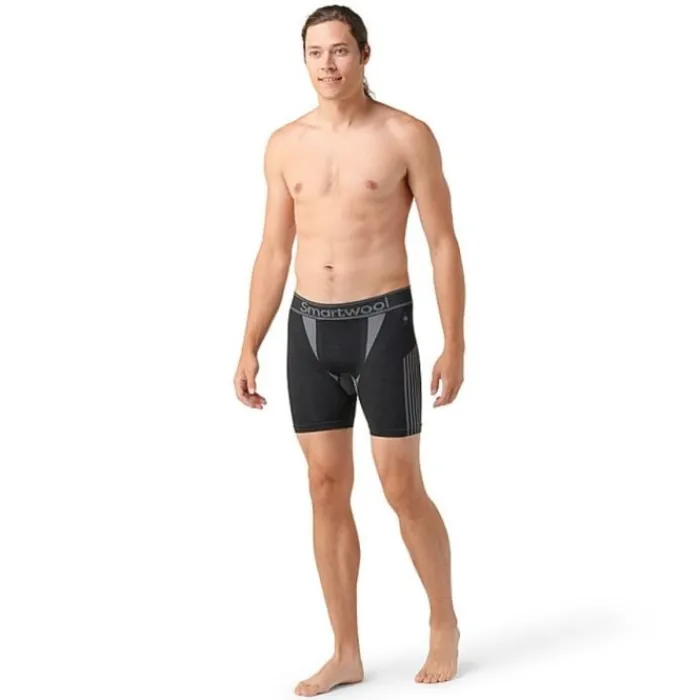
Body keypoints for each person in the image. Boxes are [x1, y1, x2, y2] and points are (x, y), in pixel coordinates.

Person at [234, 5, 466, 696]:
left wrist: (455, 340)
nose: (327, 65)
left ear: (365, 53)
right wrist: (248, 342)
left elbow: (442, 243)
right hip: (310, 329)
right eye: (316, 53)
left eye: (340, 50)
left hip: (383, 325)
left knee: (400, 486)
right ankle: (345, 652)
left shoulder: (406, 135)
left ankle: (444, 620)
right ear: (304, 59)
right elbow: (274, 251)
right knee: (325, 486)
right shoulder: (285, 144)